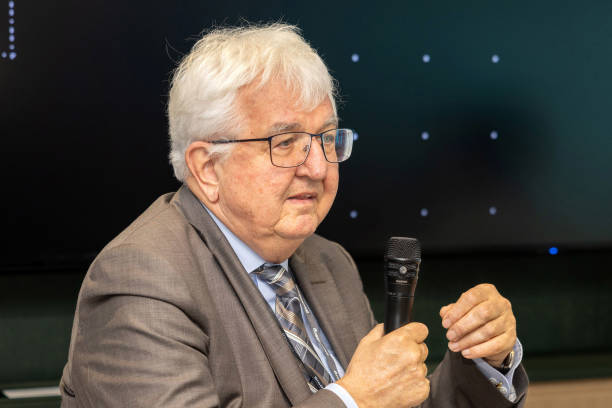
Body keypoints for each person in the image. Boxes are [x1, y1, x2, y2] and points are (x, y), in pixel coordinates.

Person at [60, 23, 528, 407]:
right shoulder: (142, 279)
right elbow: (364, 399)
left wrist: (486, 360)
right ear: (207, 168)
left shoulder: (328, 261)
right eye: (284, 143)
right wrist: (353, 400)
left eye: (326, 139)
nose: (319, 167)